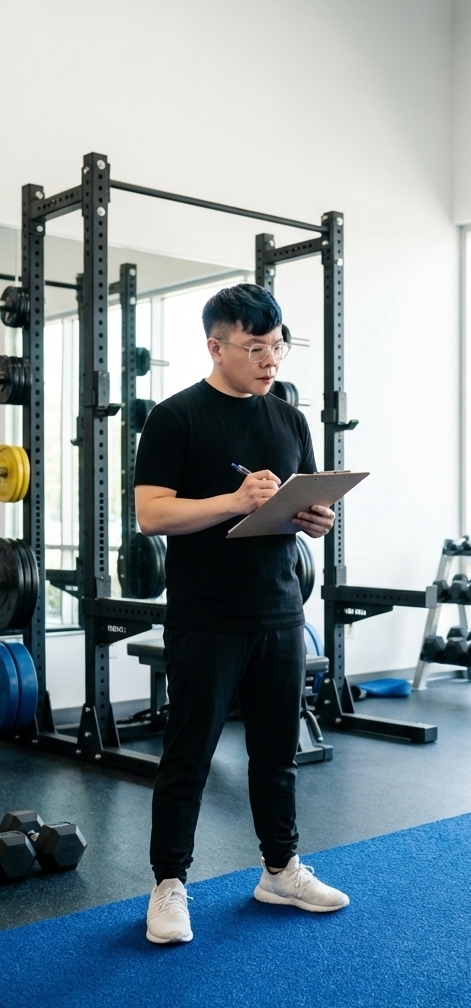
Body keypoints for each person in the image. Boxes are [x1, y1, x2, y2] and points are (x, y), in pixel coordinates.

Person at [134, 282, 349, 945]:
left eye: (278, 346)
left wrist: (318, 518)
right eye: (256, 347)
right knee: (188, 755)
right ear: (216, 346)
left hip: (281, 610)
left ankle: (279, 868)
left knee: (276, 753)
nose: (270, 360)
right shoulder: (176, 418)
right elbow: (151, 513)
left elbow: (307, 503)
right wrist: (232, 501)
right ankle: (169, 884)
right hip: (206, 615)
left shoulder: (288, 420)